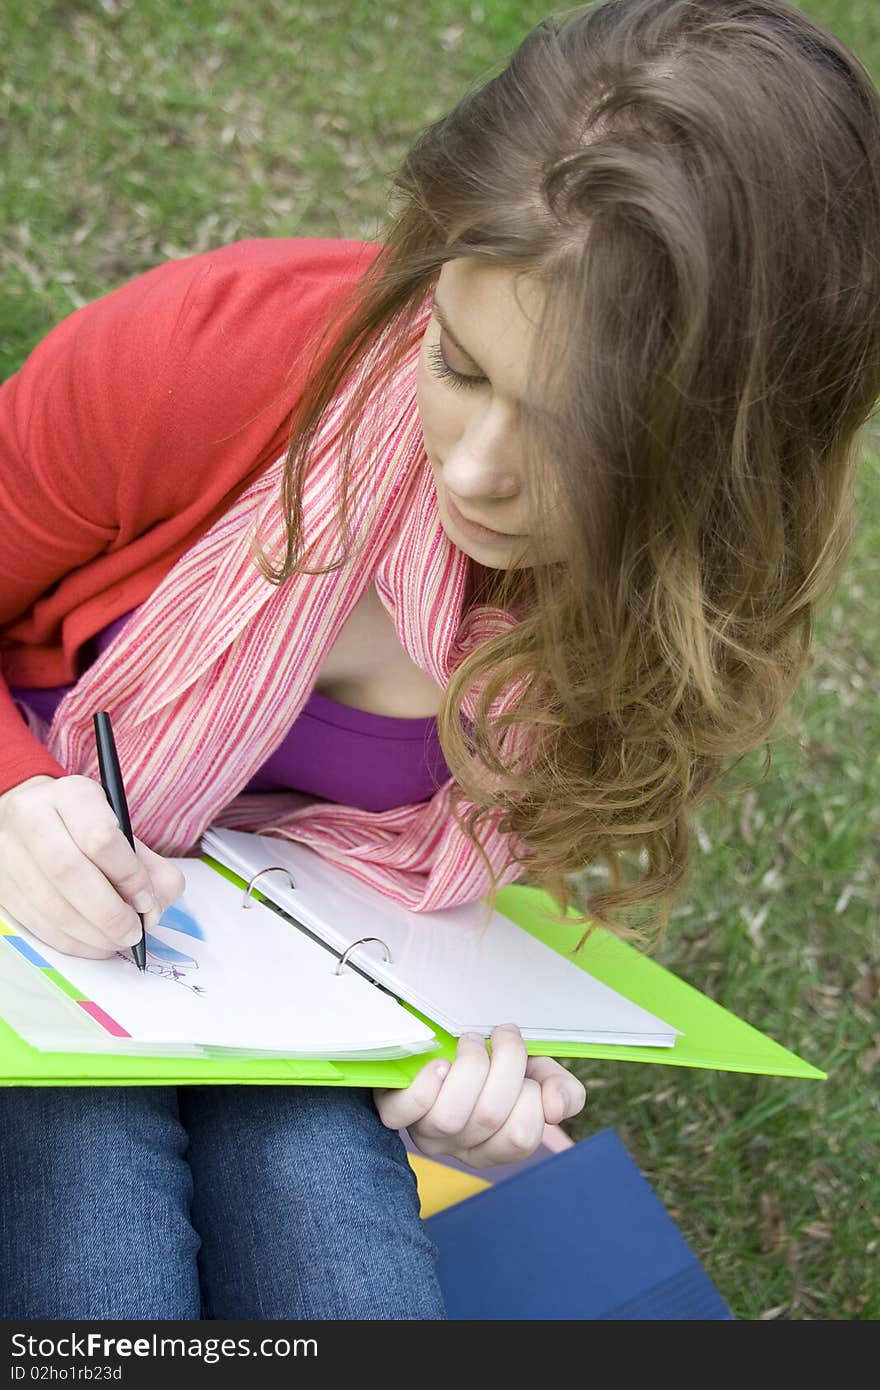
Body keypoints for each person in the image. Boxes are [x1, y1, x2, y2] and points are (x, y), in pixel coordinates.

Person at [1, 0, 878, 1321]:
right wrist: (13, 793)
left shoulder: (679, 613)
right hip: (41, 915)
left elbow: (476, 906)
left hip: (305, 984)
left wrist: (464, 1109)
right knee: (100, 1247)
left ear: (724, 466)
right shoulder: (204, 358)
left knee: (342, 1263)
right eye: (461, 366)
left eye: (581, 436)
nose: (473, 469)